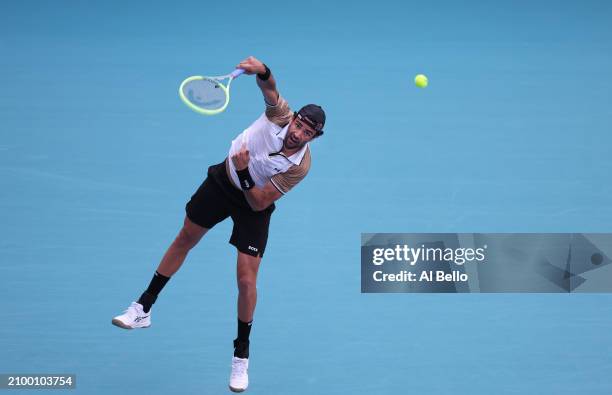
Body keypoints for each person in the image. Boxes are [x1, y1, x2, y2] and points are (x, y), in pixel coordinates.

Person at [111, 56, 326, 393]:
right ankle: (143, 308)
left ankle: (241, 356)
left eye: (308, 132)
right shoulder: (279, 115)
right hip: (221, 183)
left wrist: (244, 171)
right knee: (185, 237)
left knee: (245, 280)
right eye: (299, 124)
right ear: (295, 118)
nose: (298, 132)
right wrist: (262, 70)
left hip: (253, 204)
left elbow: (258, 201)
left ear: (314, 137)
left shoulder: (300, 166)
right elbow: (269, 87)